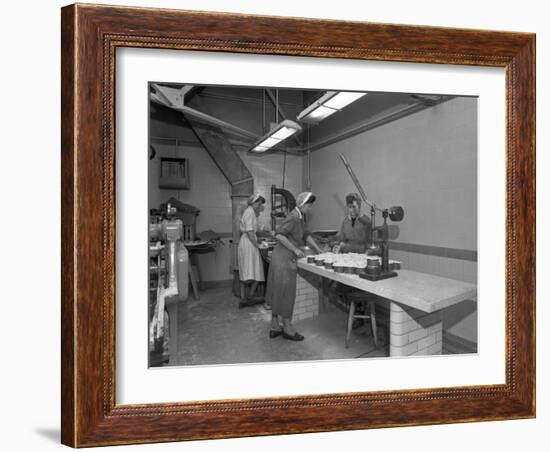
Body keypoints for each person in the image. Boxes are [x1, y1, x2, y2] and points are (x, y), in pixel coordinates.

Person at [265, 191, 323, 341]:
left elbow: (305, 235)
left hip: (281, 258)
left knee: (278, 291)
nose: (310, 209)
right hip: (283, 259)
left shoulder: (300, 218)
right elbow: (279, 235)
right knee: (285, 293)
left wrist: (318, 249)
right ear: (302, 204)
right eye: (309, 206)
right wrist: (295, 249)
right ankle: (287, 328)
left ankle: (274, 326)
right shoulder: (294, 216)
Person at [237, 193, 266, 308]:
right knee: (248, 271)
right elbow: (249, 232)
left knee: (255, 270)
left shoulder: (252, 213)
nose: (259, 207)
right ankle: (244, 298)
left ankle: (249, 296)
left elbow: (257, 227)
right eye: (259, 204)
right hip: (248, 244)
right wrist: (258, 245)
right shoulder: (249, 212)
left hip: (250, 243)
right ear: (253, 203)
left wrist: (269, 230)